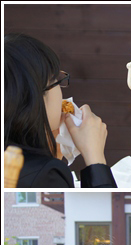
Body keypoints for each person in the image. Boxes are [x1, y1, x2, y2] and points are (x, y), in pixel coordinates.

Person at [4, 33, 116, 188]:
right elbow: (102, 210)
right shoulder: (45, 174)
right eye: (55, 80)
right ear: (36, 96)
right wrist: (95, 157)